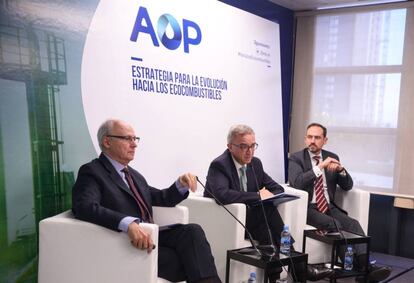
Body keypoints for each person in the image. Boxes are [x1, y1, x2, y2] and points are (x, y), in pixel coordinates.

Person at [72, 119, 221, 283]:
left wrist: (180, 184)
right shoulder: (92, 171)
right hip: (126, 242)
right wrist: (127, 223)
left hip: (152, 234)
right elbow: (84, 207)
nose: (134, 144)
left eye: (135, 139)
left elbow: (159, 197)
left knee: (193, 231)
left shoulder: (133, 174)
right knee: (190, 260)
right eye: (127, 138)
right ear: (107, 141)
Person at [204, 124, 333, 282]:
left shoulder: (255, 164)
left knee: (267, 230)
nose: (249, 151)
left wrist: (267, 196)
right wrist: (258, 196)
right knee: (267, 208)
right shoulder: (219, 165)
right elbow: (222, 195)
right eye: (244, 146)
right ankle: (300, 269)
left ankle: (275, 277)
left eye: (253, 146)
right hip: (229, 220)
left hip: (253, 220)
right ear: (230, 146)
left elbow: (277, 188)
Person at [288, 122, 391, 283]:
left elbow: (347, 186)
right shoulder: (296, 158)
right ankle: (361, 270)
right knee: (333, 223)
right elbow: (296, 183)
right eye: (309, 137)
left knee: (353, 224)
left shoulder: (332, 157)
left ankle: (365, 269)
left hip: (328, 206)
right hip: (308, 207)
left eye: (317, 137)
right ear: (305, 139)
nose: (312, 141)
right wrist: (320, 167)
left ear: (325, 140)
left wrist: (341, 171)